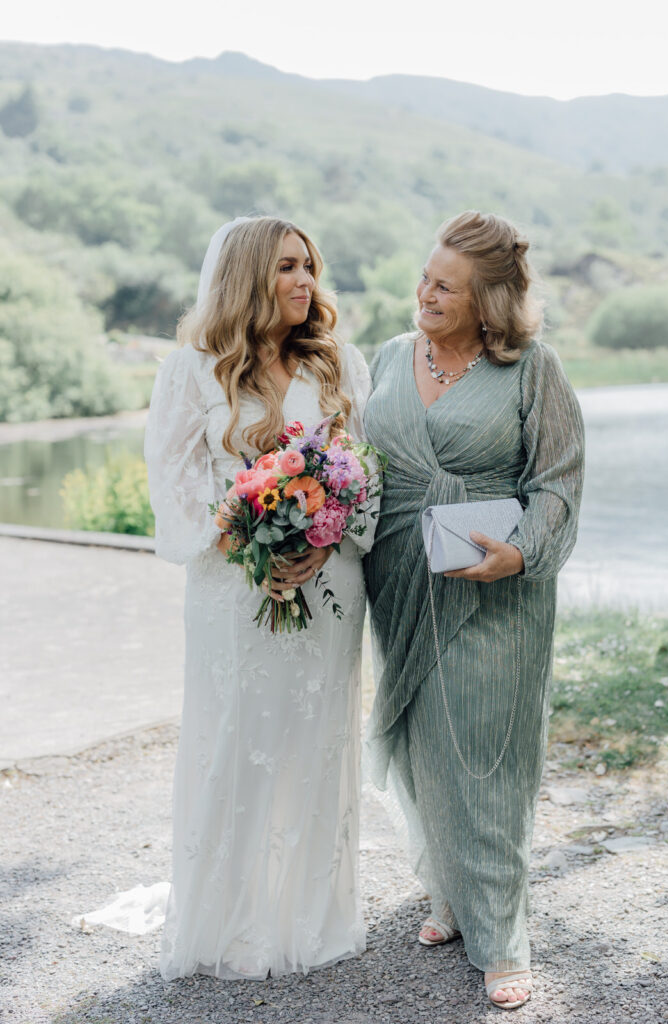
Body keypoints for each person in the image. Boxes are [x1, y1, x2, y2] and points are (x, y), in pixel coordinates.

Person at [363, 211, 584, 1010]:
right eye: (424, 277)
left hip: (495, 588)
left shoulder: (531, 370)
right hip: (397, 581)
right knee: (425, 746)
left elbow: (557, 480)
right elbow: (359, 469)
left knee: (485, 755)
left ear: (488, 301)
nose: (423, 294)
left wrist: (520, 552)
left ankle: (503, 936)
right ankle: (452, 896)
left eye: (444, 287)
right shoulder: (388, 358)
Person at [144, 216, 373, 980]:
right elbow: (172, 487)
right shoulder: (191, 371)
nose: (304, 281)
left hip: (328, 580)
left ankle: (305, 918)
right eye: (285, 267)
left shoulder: (337, 365)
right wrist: (248, 539)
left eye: (308, 265)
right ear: (245, 275)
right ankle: (228, 923)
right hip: (230, 589)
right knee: (235, 741)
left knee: (315, 742)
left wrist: (320, 537)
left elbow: (366, 473)